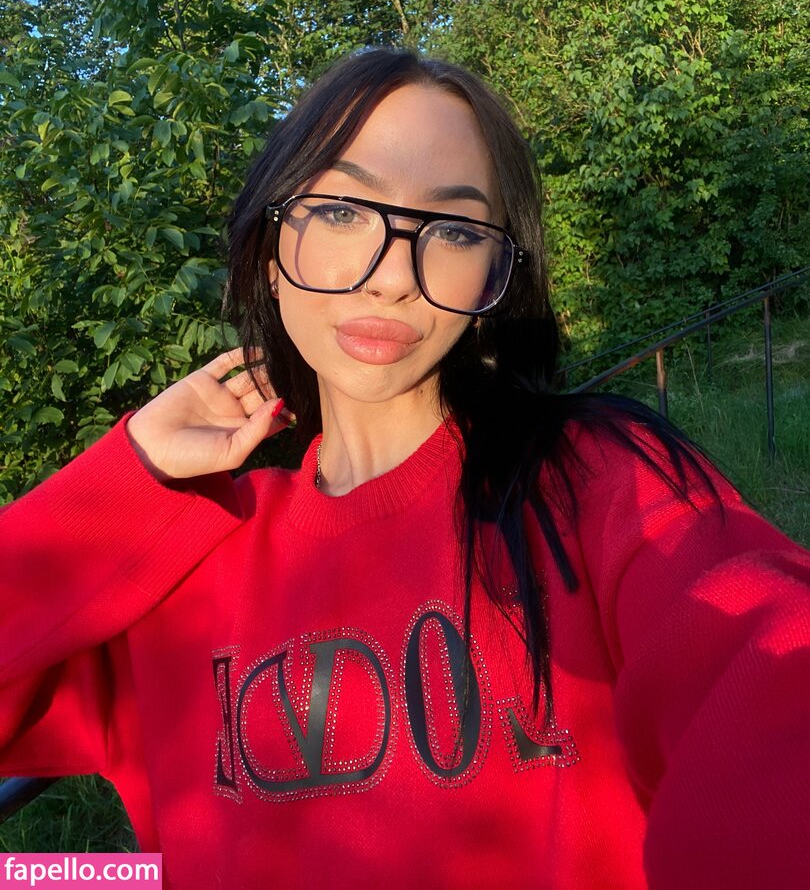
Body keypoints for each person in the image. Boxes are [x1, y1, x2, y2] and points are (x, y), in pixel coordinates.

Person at [1, 47, 808, 890]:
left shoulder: (598, 489)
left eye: (454, 230)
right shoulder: (186, 556)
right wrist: (130, 475)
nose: (391, 277)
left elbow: (765, 654)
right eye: (341, 210)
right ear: (272, 254)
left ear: (496, 275)